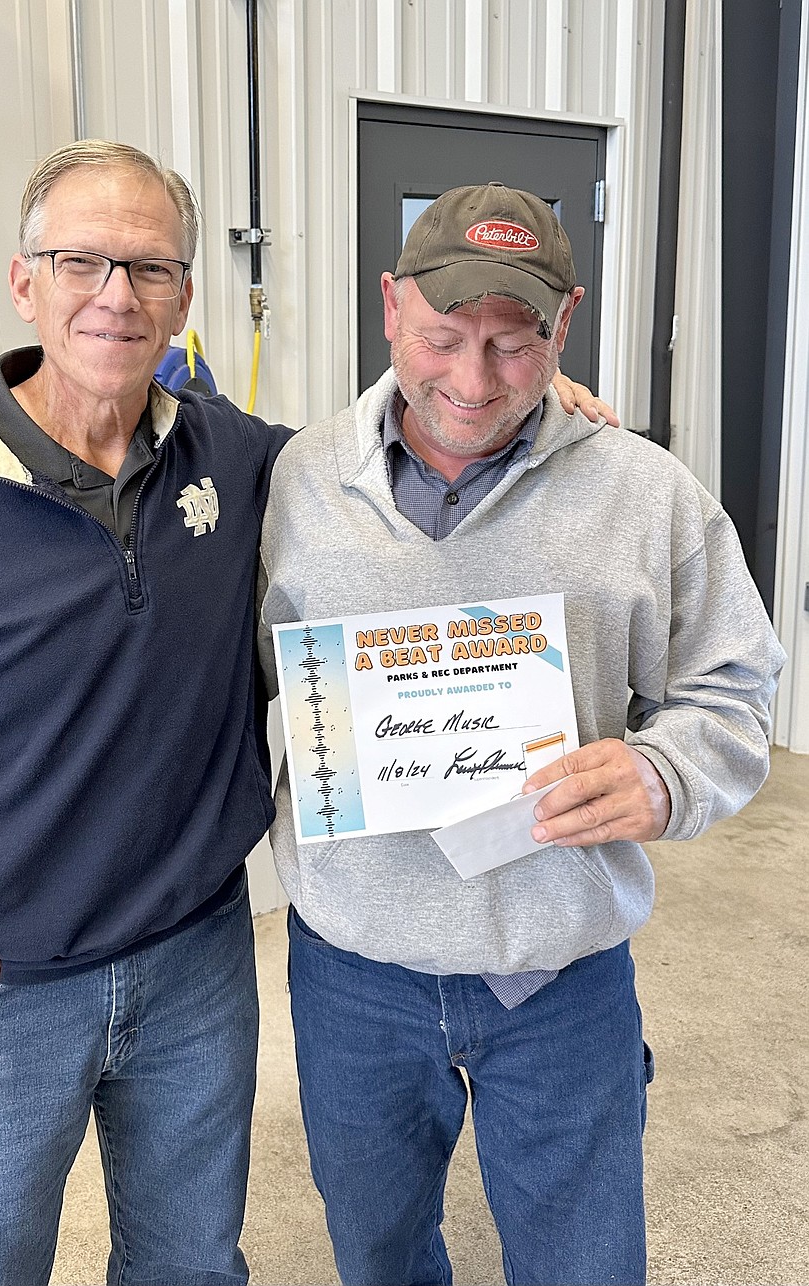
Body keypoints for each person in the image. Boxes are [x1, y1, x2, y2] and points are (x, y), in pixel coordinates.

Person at [0, 140, 613, 1286]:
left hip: (195, 962)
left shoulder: (248, 464)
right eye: (80, 261)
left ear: (185, 296)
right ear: (23, 282)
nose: (115, 295)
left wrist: (532, 409)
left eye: (149, 269)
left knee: (190, 1261)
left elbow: (396, 453)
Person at [258, 181, 785, 1286]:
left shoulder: (648, 494)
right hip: (353, 966)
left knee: (585, 1261)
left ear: (564, 323)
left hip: (559, 972)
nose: (469, 381)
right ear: (389, 305)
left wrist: (664, 771)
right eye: (442, 338)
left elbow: (733, 687)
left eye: (513, 345)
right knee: (378, 1253)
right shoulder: (295, 481)